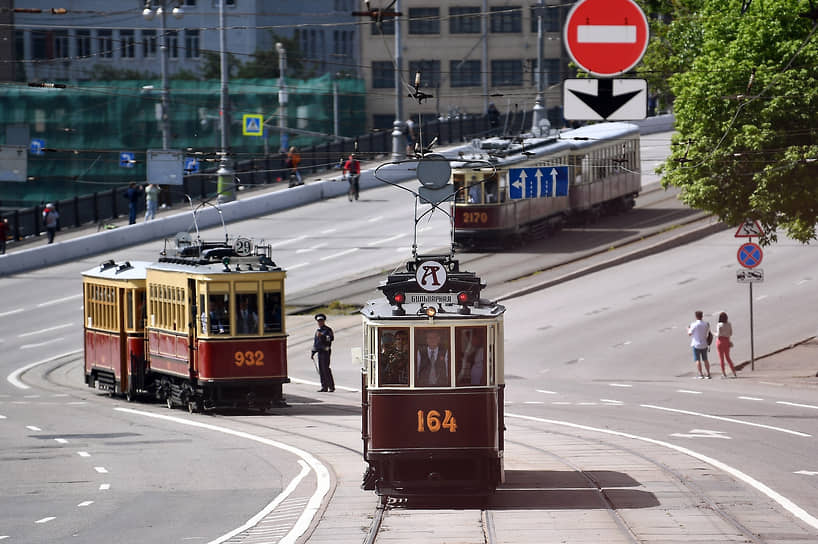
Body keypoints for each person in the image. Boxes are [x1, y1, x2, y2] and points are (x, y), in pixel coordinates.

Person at [311, 314, 335, 392]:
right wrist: (313, 352)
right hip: (319, 352)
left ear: (324, 321)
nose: (320, 322)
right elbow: (316, 342)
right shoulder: (318, 330)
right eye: (318, 321)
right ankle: (324, 386)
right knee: (321, 369)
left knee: (326, 369)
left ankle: (331, 386)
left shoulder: (327, 330)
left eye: (321, 321)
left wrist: (322, 336)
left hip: (326, 351)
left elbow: (330, 339)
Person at [687, 310, 712, 379]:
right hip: (704, 344)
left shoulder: (694, 324)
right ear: (702, 316)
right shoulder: (706, 324)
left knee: (697, 360)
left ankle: (701, 374)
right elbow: (708, 332)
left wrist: (688, 329)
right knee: (705, 359)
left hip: (696, 344)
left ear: (696, 316)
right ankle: (708, 373)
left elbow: (689, 333)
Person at [716, 311, 737, 378]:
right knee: (728, 357)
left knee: (721, 358)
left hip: (720, 341)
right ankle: (734, 372)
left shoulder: (719, 325)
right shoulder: (729, 324)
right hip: (727, 341)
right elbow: (731, 333)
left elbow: (718, 334)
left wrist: (713, 333)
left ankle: (724, 373)